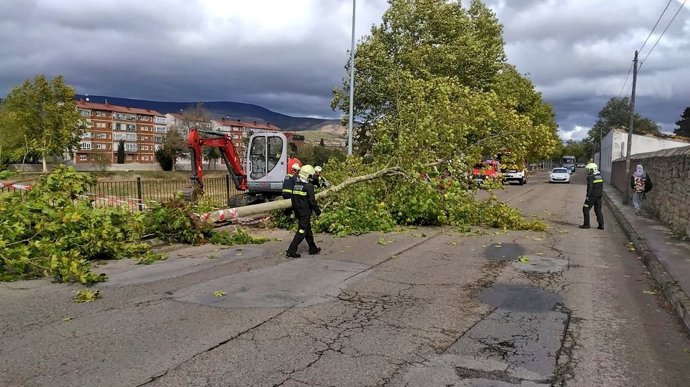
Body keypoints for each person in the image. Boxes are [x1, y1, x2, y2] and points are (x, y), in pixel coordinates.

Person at [286, 165, 322, 258]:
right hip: (305, 213)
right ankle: (291, 250)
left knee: (308, 230)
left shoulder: (296, 185)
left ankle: (312, 249)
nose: (312, 177)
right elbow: (312, 201)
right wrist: (318, 212)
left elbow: (293, 199)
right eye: (310, 175)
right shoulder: (309, 186)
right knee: (302, 231)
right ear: (307, 175)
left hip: (298, 212)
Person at [580, 162, 605, 230]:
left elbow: (590, 187)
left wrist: (587, 196)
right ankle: (601, 225)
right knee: (598, 210)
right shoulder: (600, 176)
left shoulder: (590, 177)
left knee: (585, 209)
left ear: (593, 169)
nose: (588, 171)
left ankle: (586, 224)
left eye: (589, 170)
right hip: (599, 196)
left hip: (591, 197)